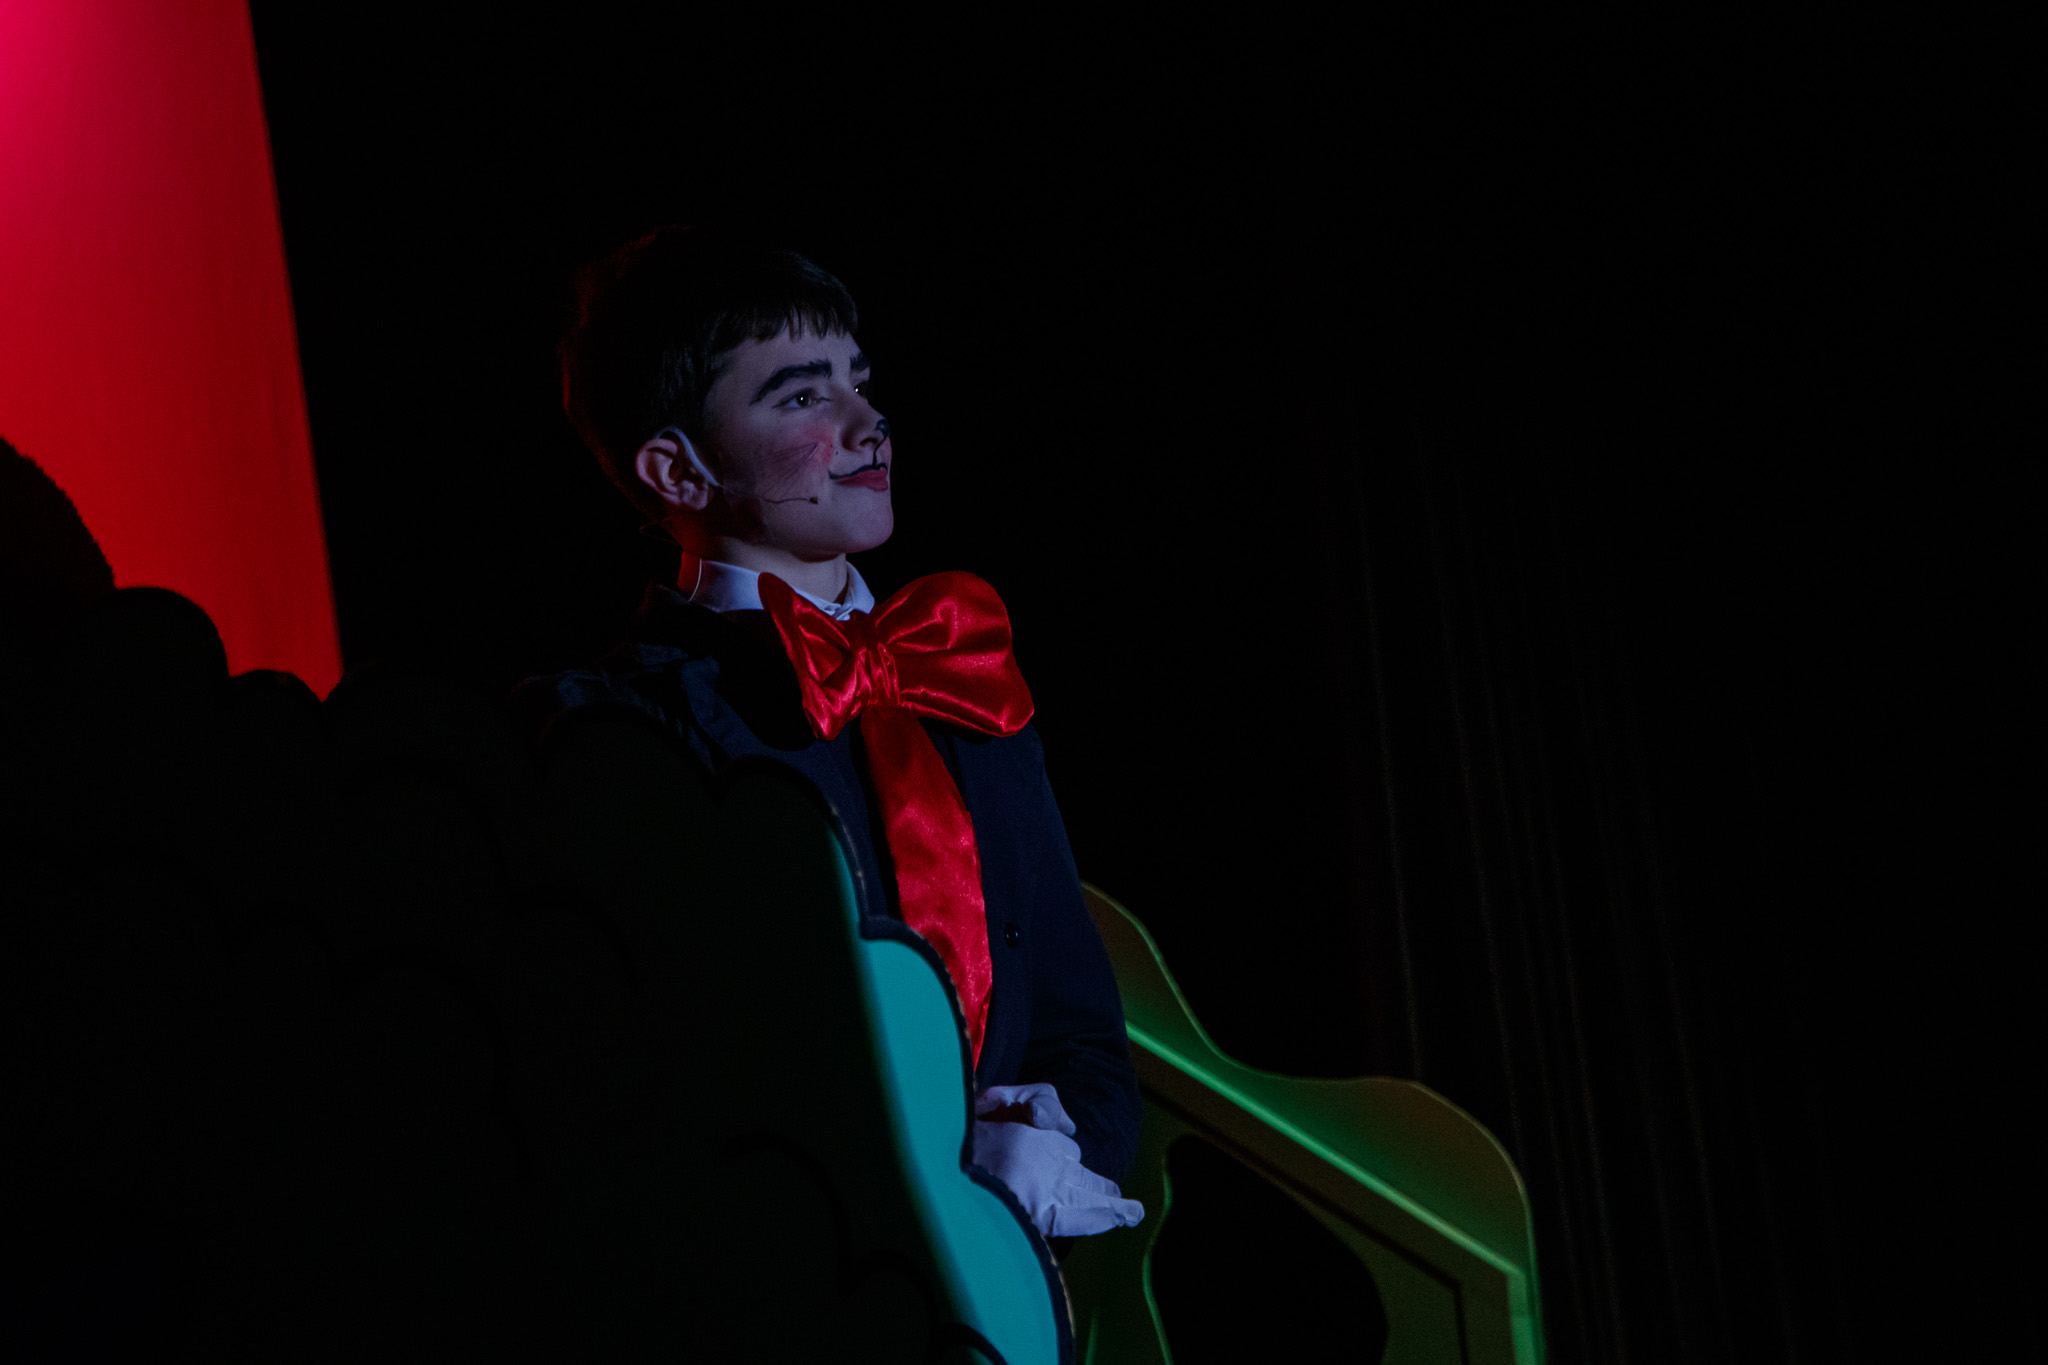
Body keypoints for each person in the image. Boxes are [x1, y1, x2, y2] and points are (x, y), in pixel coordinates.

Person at [514, 225, 1143, 1244]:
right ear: (678, 470)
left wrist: (1052, 1150)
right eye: (803, 396)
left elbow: (1085, 1042)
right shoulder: (609, 732)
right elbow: (643, 1084)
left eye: (860, 381)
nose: (868, 422)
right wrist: (932, 1173)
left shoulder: (966, 684)